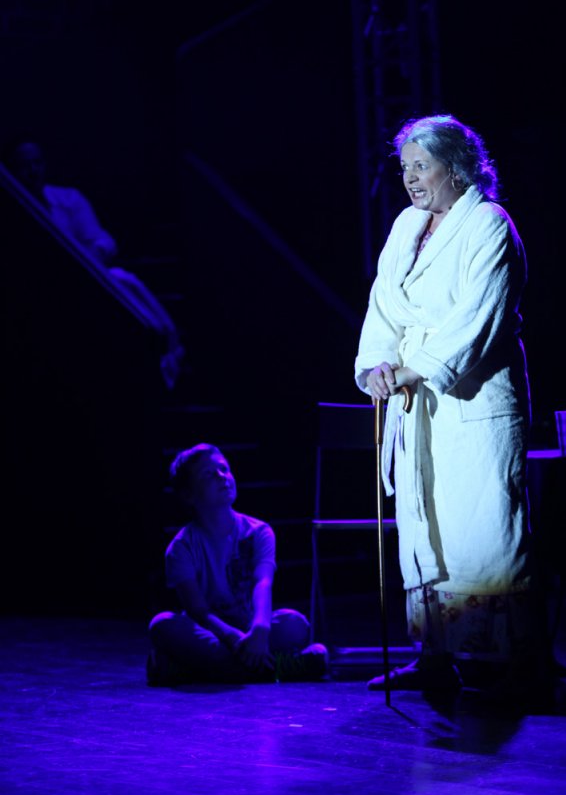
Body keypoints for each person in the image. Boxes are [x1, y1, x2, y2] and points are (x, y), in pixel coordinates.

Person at [355, 114, 548, 701]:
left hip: (473, 397)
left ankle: (517, 662)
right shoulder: (405, 227)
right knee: (425, 530)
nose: (411, 178)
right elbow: (383, 307)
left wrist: (412, 369)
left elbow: (479, 316)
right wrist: (377, 365)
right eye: (405, 167)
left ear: (457, 167)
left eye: (423, 166)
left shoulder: (488, 224)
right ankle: (434, 656)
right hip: (415, 403)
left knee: (484, 531)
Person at [2, 138, 185, 389]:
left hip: (85, 284)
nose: (33, 171)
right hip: (38, 295)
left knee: (123, 279)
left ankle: (166, 346)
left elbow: (104, 240)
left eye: (37, 162)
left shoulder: (68, 199)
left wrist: (87, 257)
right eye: (24, 165)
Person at [147, 442, 329, 685]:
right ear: (189, 494)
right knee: (162, 625)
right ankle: (277, 668)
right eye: (208, 474)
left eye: (224, 469)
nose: (221, 476)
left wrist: (261, 629)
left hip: (250, 628)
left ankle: (188, 671)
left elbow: (263, 583)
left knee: (296, 624)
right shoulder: (181, 548)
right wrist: (234, 639)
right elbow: (199, 612)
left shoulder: (259, 532)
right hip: (212, 632)